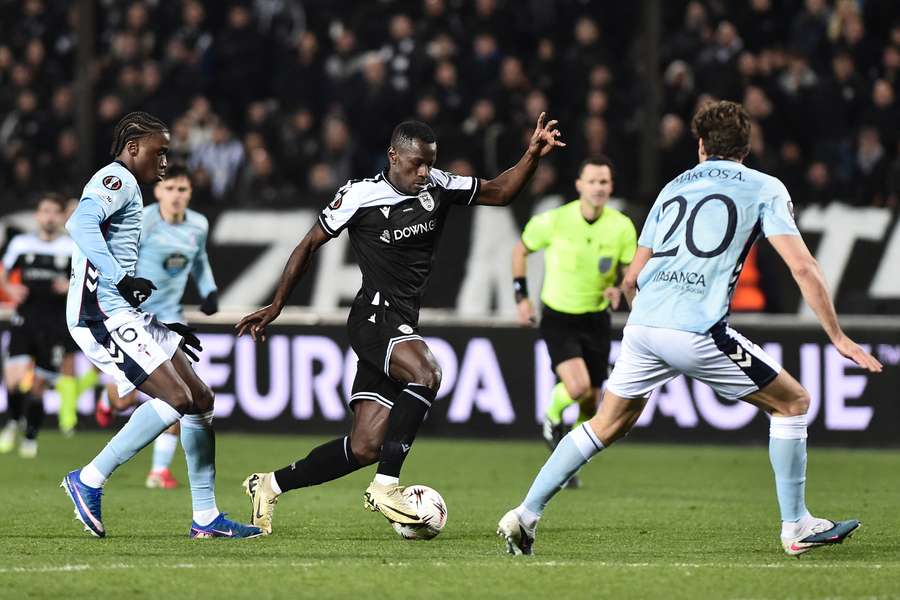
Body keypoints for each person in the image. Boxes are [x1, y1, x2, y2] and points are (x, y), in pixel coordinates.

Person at [497, 100, 883, 557]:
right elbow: (803, 267)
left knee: (605, 423)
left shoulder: (673, 186)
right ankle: (796, 525)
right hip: (697, 329)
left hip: (643, 326)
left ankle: (524, 514)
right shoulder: (765, 187)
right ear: (747, 147)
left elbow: (632, 276)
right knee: (793, 402)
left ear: (700, 145)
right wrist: (837, 337)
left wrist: (654, 319)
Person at [237, 114, 565, 533]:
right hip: (375, 317)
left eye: (429, 163)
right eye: (416, 164)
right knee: (427, 371)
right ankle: (387, 486)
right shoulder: (359, 196)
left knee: (365, 445)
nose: (424, 172)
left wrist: (531, 155)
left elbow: (499, 191)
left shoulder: (438, 185)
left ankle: (268, 484)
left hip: (399, 320)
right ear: (393, 157)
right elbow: (308, 245)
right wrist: (276, 305)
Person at [60, 111, 260, 539]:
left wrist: (163, 324)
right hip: (99, 315)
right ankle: (89, 479)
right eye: (160, 152)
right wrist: (119, 276)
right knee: (176, 399)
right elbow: (79, 222)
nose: (165, 162)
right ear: (134, 149)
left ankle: (205, 518)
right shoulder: (114, 178)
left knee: (200, 398)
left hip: (127, 313)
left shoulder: (132, 189)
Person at [513, 155, 636, 489]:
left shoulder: (621, 226)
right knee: (578, 386)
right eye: (592, 181)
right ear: (579, 185)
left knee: (591, 401)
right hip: (559, 315)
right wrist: (521, 298)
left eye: (604, 182)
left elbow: (626, 272)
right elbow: (520, 250)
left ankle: (567, 465)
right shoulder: (554, 221)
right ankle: (552, 417)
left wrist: (618, 288)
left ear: (610, 187)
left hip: (596, 317)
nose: (598, 188)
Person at [94, 162, 219, 490]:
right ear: (158, 191)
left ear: (190, 193)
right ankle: (109, 402)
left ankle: (159, 470)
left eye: (183, 190)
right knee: (126, 400)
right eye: (170, 189)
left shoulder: (199, 224)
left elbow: (200, 259)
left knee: (184, 392)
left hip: (172, 320)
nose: (176, 196)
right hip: (134, 318)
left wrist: (209, 291)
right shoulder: (144, 220)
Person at [0, 194, 76, 456]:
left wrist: (71, 285)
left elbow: (87, 278)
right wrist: (9, 286)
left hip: (55, 322)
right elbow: (3, 269)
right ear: (37, 215)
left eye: (56, 212)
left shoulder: (70, 247)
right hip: (25, 319)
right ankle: (12, 423)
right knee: (14, 379)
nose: (50, 216)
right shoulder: (21, 243)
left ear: (62, 217)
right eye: (46, 211)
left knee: (38, 386)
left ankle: (30, 437)